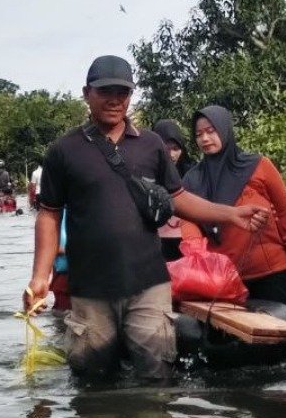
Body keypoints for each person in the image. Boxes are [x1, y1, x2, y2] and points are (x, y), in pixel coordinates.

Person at [23, 56, 270, 381]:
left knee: (157, 373)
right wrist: (40, 278)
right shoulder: (64, 150)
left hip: (148, 284)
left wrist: (232, 214)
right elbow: (50, 215)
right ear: (86, 93)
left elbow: (179, 199)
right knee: (92, 376)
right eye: (105, 91)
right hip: (90, 289)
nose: (115, 99)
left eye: (123, 93)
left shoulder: (151, 145)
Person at [179, 105, 286, 310]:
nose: (205, 139)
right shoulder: (192, 179)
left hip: (271, 273)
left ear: (225, 130)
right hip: (224, 280)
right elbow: (187, 216)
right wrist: (196, 250)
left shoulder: (259, 165)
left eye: (211, 131)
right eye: (199, 135)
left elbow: (285, 211)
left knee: (282, 334)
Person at [151, 120, 191, 262]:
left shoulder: (193, 173)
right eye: (166, 149)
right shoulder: (146, 175)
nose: (172, 154)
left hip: (187, 243)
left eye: (176, 148)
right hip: (155, 246)